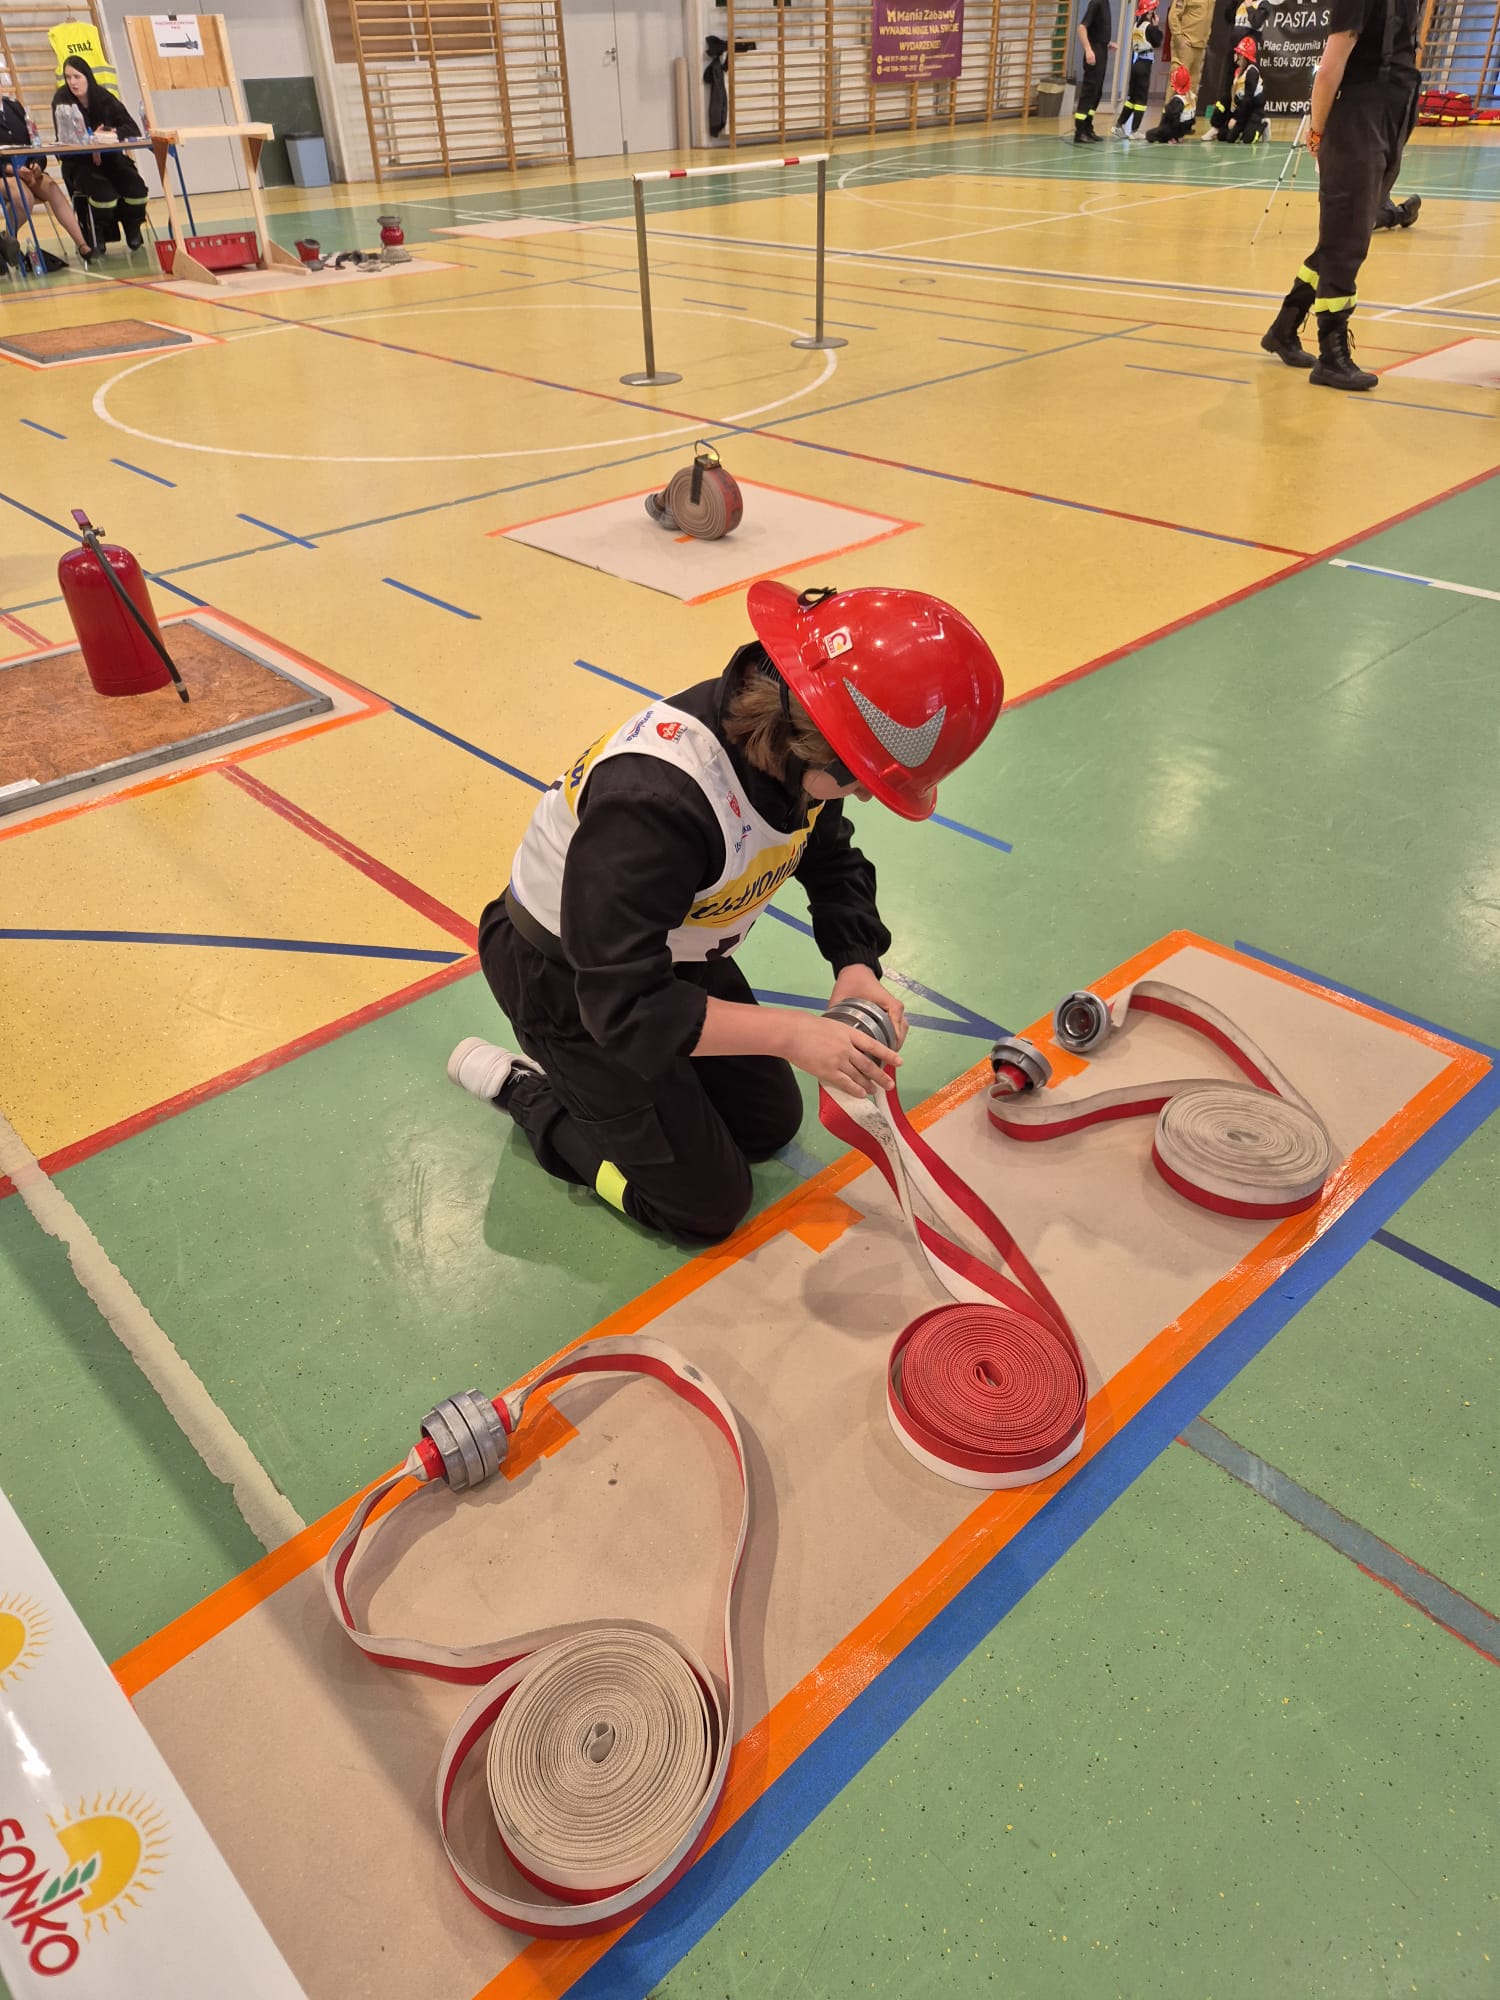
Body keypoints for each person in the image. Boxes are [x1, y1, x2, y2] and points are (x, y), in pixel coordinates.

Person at [449, 582, 1004, 1246]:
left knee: (768, 1126)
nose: (861, 796)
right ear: (816, 743)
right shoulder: (654, 806)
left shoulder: (796, 748)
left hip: (668, 957)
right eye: (858, 779)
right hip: (570, 982)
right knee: (702, 1208)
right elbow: (623, 1007)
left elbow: (831, 860)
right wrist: (792, 1034)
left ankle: (617, 1099)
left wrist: (855, 965)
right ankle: (533, 1096)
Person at [1260, 0, 1422, 390]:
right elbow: (1328, 70)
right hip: (1357, 120)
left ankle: (1284, 327)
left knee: (1341, 237)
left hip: (1392, 116)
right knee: (1347, 245)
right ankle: (1331, 356)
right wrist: (1317, 133)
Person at [50, 55, 149, 251]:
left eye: (77, 77)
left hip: (110, 159)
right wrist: (91, 142)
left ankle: (132, 225)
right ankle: (97, 230)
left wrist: (111, 134)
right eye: (68, 77)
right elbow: (65, 138)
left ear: (87, 76)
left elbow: (132, 128)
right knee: (104, 194)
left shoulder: (104, 97)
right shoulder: (61, 101)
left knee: (136, 188)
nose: (72, 82)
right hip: (80, 163)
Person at [0, 92, 104, 264]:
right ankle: (7, 241)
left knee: (53, 189)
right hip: (4, 173)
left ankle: (83, 246)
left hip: (26, 169)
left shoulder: (14, 106)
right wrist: (14, 170)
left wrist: (37, 165)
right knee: (24, 196)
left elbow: (34, 142)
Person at [1115, 0, 1164, 136]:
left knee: (1132, 97)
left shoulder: (1136, 25)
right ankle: (1135, 131)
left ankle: (1119, 125)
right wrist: (1156, 26)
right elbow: (1157, 42)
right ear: (1149, 12)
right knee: (1141, 98)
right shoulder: (1149, 27)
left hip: (1136, 63)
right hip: (1144, 65)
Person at [1211, 35, 1268, 140]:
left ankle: (1262, 125)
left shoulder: (1252, 72)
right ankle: (1244, 127)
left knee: (1248, 139)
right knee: (1224, 136)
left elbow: (1248, 99)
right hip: (1243, 108)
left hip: (1254, 108)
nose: (1235, 55)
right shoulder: (1237, 71)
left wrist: (1236, 118)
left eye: (1238, 53)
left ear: (1243, 56)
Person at [1075, 0, 1116, 142]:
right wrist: (1088, 49)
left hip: (1101, 49)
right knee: (1089, 92)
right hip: (1094, 51)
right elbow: (1082, 28)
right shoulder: (1096, 2)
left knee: (1096, 93)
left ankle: (1088, 127)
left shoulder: (1105, 3)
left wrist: (1107, 43)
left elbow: (1097, 29)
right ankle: (1080, 131)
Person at [1165, 0, 1213, 97]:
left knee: (1193, 86)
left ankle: (1188, 107)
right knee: (1178, 82)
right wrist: (1179, 37)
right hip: (1186, 44)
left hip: (1200, 45)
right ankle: (1170, 106)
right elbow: (1173, 16)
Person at [1146, 60, 1198, 138]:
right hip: (1185, 128)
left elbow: (1174, 119)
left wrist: (1172, 135)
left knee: (1149, 134)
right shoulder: (1192, 96)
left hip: (1176, 130)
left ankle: (1172, 137)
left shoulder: (1177, 100)